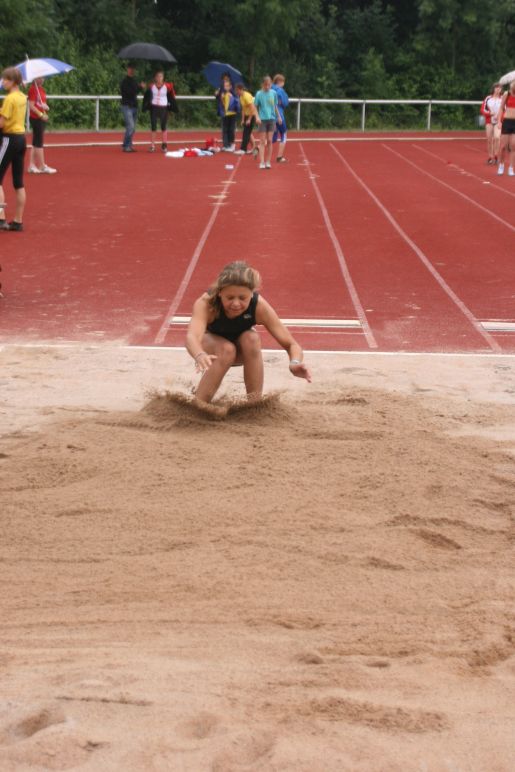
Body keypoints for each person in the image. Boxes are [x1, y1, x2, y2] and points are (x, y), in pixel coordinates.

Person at [186, 261, 312, 403]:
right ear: (220, 293)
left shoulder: (259, 306)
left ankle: (254, 404)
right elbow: (192, 337)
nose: (236, 304)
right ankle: (199, 405)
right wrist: (199, 354)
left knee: (252, 338)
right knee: (227, 349)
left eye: (242, 298)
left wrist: (294, 363)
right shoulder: (206, 303)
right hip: (210, 350)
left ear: (251, 294)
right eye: (230, 298)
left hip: (241, 351)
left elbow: (291, 344)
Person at [0, 67, 28, 232]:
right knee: (18, 182)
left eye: (5, 79)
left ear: (13, 81)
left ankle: (1, 218)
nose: (3, 82)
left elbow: (2, 123)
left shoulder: (10, 99)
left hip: (9, 139)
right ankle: (18, 221)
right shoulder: (22, 97)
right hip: (21, 139)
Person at [143, 70, 177, 153]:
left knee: (163, 126)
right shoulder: (151, 86)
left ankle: (164, 145)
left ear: (163, 77)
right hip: (154, 108)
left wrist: (172, 104)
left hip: (163, 108)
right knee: (153, 126)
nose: (159, 78)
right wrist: (146, 105)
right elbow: (147, 95)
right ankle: (152, 145)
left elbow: (172, 95)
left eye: (161, 76)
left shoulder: (168, 86)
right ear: (155, 78)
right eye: (157, 76)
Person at [27, 77, 56, 173]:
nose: (43, 79)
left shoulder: (41, 89)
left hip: (41, 118)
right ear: (35, 79)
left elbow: (41, 102)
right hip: (36, 118)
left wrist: (46, 107)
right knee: (39, 142)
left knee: (36, 142)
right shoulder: (33, 90)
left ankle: (32, 165)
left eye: (43, 77)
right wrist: (40, 115)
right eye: (41, 77)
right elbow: (31, 106)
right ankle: (42, 166)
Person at [254, 75, 282, 169]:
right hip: (262, 120)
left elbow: (275, 106)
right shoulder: (259, 94)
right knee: (262, 141)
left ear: (271, 84)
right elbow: (255, 106)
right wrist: (257, 116)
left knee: (269, 140)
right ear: (262, 84)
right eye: (265, 85)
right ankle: (262, 162)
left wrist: (279, 116)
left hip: (272, 119)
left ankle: (268, 161)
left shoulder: (273, 93)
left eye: (269, 85)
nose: (267, 87)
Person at [120, 63, 145, 153]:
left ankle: (129, 145)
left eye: (133, 68)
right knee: (130, 126)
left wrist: (140, 87)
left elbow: (135, 92)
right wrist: (138, 87)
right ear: (127, 69)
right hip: (127, 106)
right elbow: (129, 92)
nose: (132, 70)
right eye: (130, 68)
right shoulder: (124, 82)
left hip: (134, 106)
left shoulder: (134, 81)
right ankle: (126, 145)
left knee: (132, 128)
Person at [480, 83, 502, 165]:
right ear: (493, 89)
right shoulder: (488, 98)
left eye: (499, 88)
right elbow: (482, 109)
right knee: (489, 139)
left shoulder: (502, 99)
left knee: (497, 137)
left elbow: (505, 110)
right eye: (496, 88)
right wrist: (490, 113)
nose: (498, 89)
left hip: (498, 121)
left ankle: (496, 156)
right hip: (489, 121)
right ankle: (490, 157)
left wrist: (500, 117)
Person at [496, 81, 515, 176]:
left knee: (513, 146)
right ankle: (501, 165)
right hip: (507, 121)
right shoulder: (506, 94)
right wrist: (499, 121)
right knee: (503, 146)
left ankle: (511, 168)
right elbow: (501, 108)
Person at [216, 76, 239, 151]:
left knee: (231, 129)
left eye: (227, 86)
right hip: (224, 114)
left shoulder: (234, 93)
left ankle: (232, 144)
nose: (225, 87)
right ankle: (226, 145)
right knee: (224, 129)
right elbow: (218, 99)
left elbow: (237, 102)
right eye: (225, 86)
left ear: (230, 86)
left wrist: (232, 97)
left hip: (232, 114)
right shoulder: (222, 92)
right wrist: (217, 95)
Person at [234, 83, 257, 155]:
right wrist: (243, 119)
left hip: (251, 115)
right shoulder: (241, 97)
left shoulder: (247, 96)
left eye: (237, 90)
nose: (236, 92)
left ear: (241, 89)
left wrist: (249, 119)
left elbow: (252, 108)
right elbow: (243, 109)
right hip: (247, 115)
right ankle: (254, 148)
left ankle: (243, 149)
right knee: (248, 133)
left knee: (246, 133)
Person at [272, 73, 289, 163]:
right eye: (283, 82)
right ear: (280, 81)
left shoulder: (269, 89)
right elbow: (285, 103)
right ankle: (279, 157)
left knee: (273, 137)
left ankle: (259, 147)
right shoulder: (280, 90)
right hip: (279, 116)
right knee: (284, 133)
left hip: (269, 116)